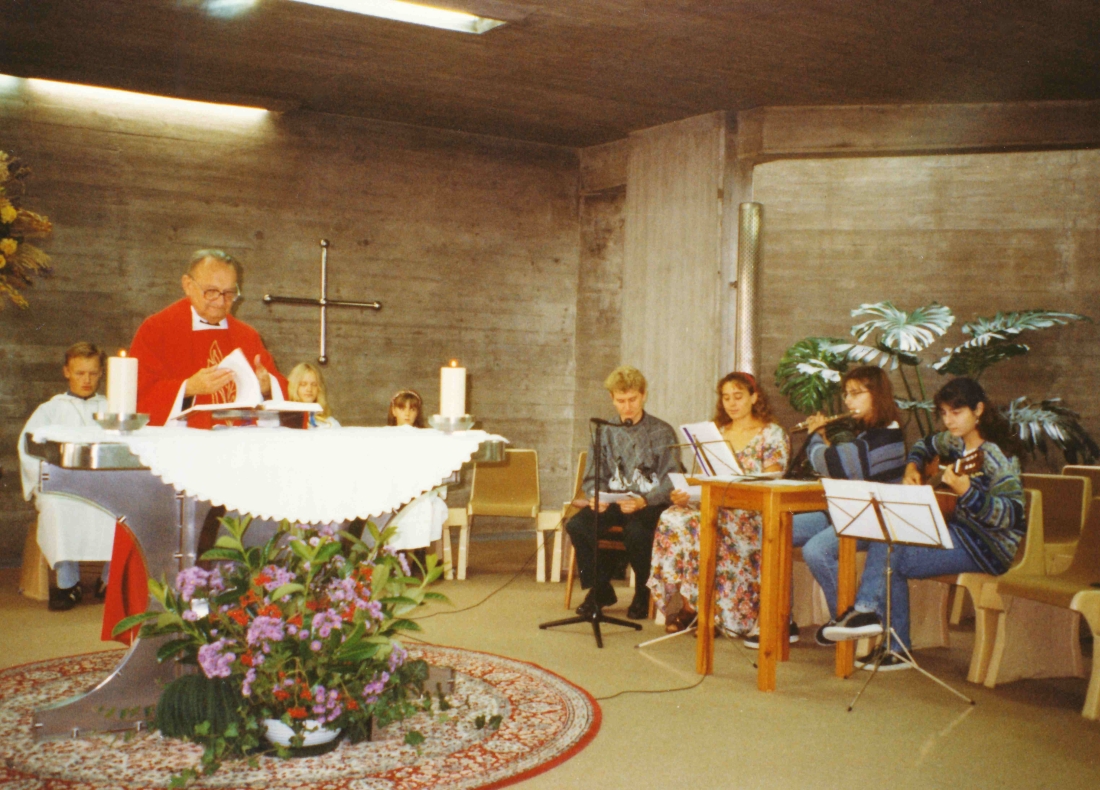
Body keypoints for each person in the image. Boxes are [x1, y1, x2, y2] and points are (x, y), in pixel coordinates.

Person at [823, 377, 1025, 669]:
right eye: (944, 413)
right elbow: (924, 444)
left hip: (989, 547)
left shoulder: (997, 458)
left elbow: (1010, 516)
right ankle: (888, 638)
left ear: (978, 410)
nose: (949, 420)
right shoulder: (955, 441)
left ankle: (873, 619)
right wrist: (912, 466)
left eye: (956, 413)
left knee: (892, 555)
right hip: (961, 532)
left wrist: (967, 492)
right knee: (891, 534)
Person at [648, 372, 790, 639]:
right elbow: (707, 481)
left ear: (754, 397)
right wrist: (687, 495)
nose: (732, 403)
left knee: (695, 523)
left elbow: (774, 479)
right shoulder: (717, 433)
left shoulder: (772, 433)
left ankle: (700, 610)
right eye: (726, 398)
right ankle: (688, 603)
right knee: (673, 516)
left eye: (738, 396)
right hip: (718, 506)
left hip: (753, 513)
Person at [790, 365, 908, 646]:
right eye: (846, 394)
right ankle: (782, 618)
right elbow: (845, 462)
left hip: (872, 521)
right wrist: (822, 439)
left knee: (816, 550)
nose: (848, 401)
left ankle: (846, 618)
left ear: (877, 395)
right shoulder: (867, 434)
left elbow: (835, 464)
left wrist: (816, 435)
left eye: (856, 393)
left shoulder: (888, 436)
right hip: (846, 512)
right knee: (775, 527)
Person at [566, 366, 681, 619]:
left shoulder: (662, 431)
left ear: (644, 396)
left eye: (633, 400)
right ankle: (600, 589)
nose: (627, 407)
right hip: (615, 501)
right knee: (577, 526)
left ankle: (643, 592)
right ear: (612, 399)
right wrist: (597, 496)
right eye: (621, 401)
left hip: (649, 503)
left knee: (637, 532)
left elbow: (672, 480)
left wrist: (644, 500)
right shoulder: (604, 430)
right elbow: (593, 476)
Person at [128, 249, 287, 427]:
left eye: (229, 293)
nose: (220, 302)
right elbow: (138, 396)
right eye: (211, 291)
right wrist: (188, 388)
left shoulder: (247, 336)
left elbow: (286, 394)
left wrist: (267, 387)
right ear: (187, 285)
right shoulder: (157, 330)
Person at [18, 343, 116, 610]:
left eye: (93, 373)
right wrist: (47, 481)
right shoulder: (50, 410)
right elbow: (28, 449)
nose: (87, 380)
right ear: (66, 372)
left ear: (101, 373)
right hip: (64, 487)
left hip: (102, 485)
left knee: (121, 507)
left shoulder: (112, 407)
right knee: (57, 507)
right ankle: (67, 582)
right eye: (80, 373)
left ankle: (109, 580)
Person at [385, 389, 447, 550]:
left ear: (417, 412)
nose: (407, 413)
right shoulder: (385, 436)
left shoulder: (426, 437)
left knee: (423, 505)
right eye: (402, 408)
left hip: (419, 488)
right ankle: (397, 553)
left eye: (412, 409)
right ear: (393, 411)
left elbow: (434, 465)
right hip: (394, 487)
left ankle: (419, 551)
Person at [287, 362, 340, 427]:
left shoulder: (330, 423)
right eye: (303, 384)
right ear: (294, 387)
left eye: (314, 385)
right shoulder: (284, 421)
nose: (309, 389)